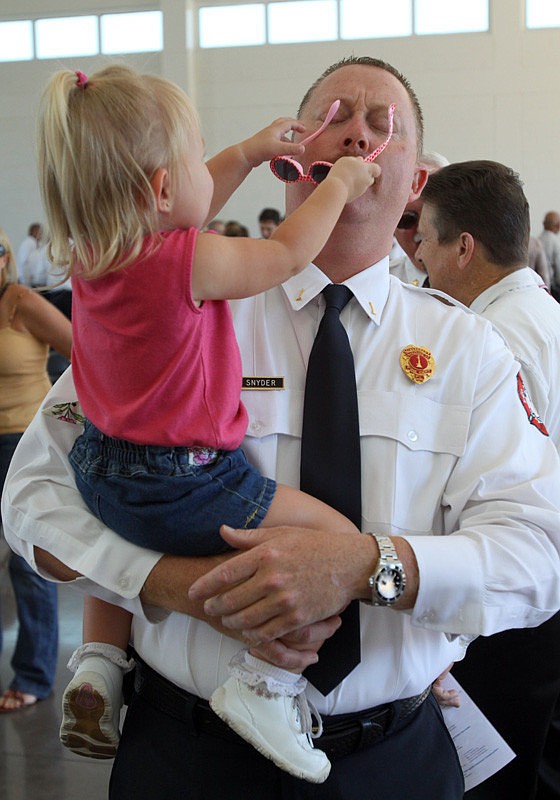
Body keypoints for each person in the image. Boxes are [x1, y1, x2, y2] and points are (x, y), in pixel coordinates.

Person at [4, 56, 560, 800]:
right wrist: (189, 587)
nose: (358, 135)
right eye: (337, 117)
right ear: (293, 156)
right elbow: (33, 501)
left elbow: (540, 553)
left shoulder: (470, 350)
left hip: (395, 759)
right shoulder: (180, 305)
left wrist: (369, 567)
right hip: (191, 755)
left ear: (416, 186)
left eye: (381, 124)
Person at [36, 64, 378, 781]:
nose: (207, 171)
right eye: (195, 159)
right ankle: (263, 686)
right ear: (162, 188)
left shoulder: (101, 254)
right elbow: (286, 253)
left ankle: (102, 653)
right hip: (183, 480)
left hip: (102, 472)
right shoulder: (186, 262)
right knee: (337, 546)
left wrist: (252, 151)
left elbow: (182, 205)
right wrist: (340, 184)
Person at [416, 160, 560, 800]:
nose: (417, 258)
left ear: (463, 248)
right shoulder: (543, 311)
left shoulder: (493, 338)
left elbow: (496, 492)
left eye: (423, 240)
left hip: (510, 610)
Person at [0, 228, 71, 711]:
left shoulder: (21, 302)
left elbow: (84, 351)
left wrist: (65, 419)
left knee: (27, 562)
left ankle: (33, 673)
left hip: (16, 443)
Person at [389, 150, 448, 286]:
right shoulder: (380, 286)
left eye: (436, 216)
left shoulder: (486, 282)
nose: (422, 229)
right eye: (408, 219)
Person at [539, 211, 560, 300]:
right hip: (552, 288)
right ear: (558, 225)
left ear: (544, 224)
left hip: (539, 286)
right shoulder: (555, 241)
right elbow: (558, 267)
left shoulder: (538, 240)